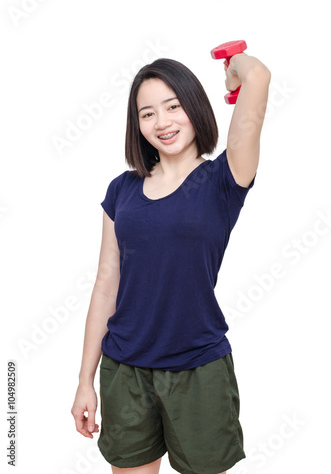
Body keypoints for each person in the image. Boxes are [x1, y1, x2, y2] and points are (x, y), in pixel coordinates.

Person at [71, 51, 271, 474]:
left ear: (195, 107)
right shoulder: (121, 190)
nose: (161, 122)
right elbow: (107, 283)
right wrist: (85, 379)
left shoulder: (224, 178)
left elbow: (259, 76)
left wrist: (237, 69)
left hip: (198, 368)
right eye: (147, 113)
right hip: (124, 368)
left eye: (173, 106)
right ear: (137, 125)